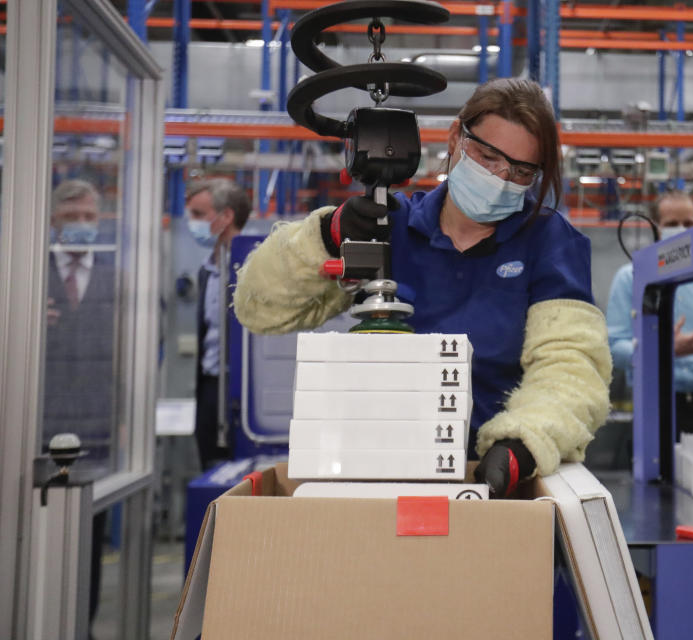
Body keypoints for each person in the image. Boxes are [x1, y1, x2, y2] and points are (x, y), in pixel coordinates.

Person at [233, 78, 612, 497]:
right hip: (376, 477)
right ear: (455, 138)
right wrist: (324, 234)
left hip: (497, 483)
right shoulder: (388, 226)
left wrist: (523, 443)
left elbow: (571, 367)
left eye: (521, 171)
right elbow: (259, 308)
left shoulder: (550, 243)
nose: (501, 179)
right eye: (487, 157)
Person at [44, 178, 113, 639]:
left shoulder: (117, 276)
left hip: (99, 434)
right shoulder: (25, 273)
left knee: (88, 539)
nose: (82, 226)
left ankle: (80, 628)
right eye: (72, 219)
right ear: (53, 222)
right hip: (37, 427)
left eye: (89, 218)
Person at [606, 190, 693, 435]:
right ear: (656, 228)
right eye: (672, 224)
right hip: (655, 400)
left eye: (688, 223)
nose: (681, 229)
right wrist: (662, 348)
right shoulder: (630, 278)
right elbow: (614, 347)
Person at [185, 178, 252, 469]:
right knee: (210, 470)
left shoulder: (253, 267)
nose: (192, 223)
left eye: (199, 214)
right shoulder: (206, 271)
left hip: (243, 390)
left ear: (226, 216)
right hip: (210, 390)